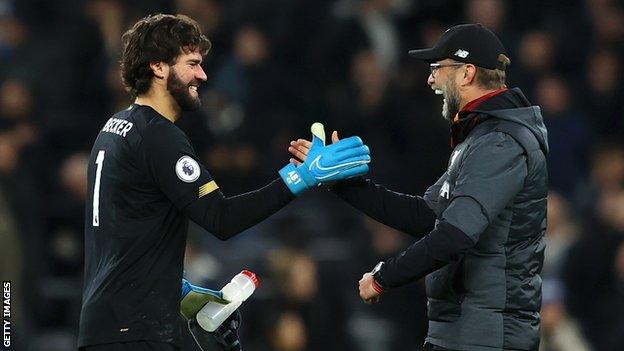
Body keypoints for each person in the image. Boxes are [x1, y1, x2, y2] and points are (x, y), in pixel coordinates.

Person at [78, 13, 371, 351]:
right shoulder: (159, 137)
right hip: (137, 332)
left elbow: (124, 234)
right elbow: (221, 218)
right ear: (158, 67)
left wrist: (182, 292)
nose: (201, 75)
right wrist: (300, 177)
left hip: (105, 323)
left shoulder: (114, 127)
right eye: (192, 64)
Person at [289, 23, 548, 351]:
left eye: (438, 68)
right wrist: (341, 183)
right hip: (465, 328)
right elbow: (425, 215)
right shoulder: (483, 139)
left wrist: (385, 277)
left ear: (467, 73)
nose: (430, 79)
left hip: (487, 335)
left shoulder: (500, 142)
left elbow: (455, 235)